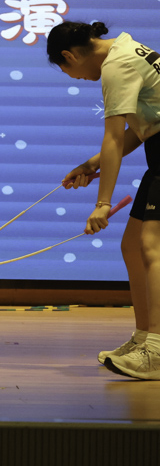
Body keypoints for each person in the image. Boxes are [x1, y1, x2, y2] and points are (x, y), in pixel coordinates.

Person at [50, 20, 160, 379]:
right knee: (132, 247)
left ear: (69, 56)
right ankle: (144, 339)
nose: (76, 78)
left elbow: (113, 137)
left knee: (152, 246)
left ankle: (156, 351)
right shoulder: (127, 49)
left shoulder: (117, 65)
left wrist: (102, 204)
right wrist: (91, 164)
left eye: (67, 70)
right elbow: (140, 132)